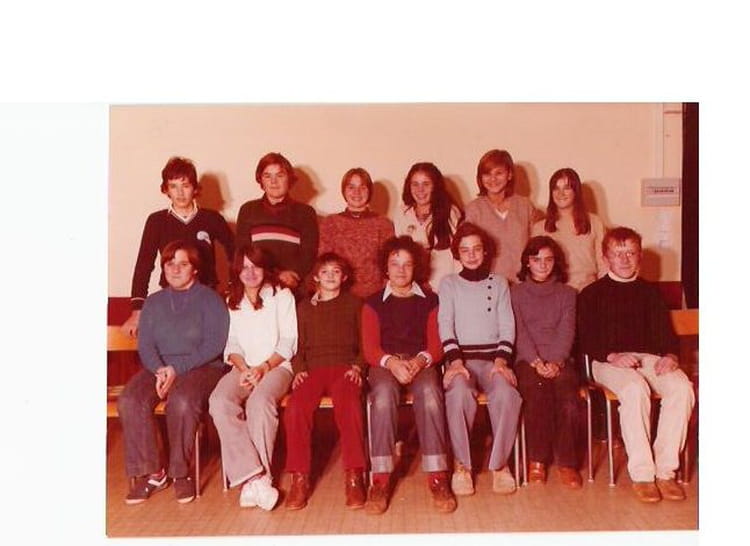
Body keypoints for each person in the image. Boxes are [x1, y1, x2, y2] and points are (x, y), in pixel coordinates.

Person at [578, 227, 695, 503]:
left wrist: (670, 356)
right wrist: (613, 356)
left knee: (682, 388)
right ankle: (643, 475)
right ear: (605, 257)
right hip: (607, 361)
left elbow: (666, 334)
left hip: (649, 359)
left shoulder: (650, 292)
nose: (625, 259)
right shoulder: (591, 294)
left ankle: (665, 472)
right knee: (634, 389)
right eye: (618, 253)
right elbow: (586, 340)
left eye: (630, 253)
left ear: (639, 256)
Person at [117, 240, 229, 505]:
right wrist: (159, 370)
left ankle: (180, 472)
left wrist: (176, 370)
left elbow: (215, 345)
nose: (175, 269)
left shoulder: (210, 299)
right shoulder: (154, 302)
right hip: (159, 368)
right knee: (130, 399)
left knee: (181, 401)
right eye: (170, 264)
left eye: (183, 264)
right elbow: (146, 345)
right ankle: (154, 473)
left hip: (202, 367)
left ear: (195, 269)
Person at [362, 236, 456, 514]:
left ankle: (437, 475)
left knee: (430, 394)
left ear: (417, 268)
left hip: (420, 361)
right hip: (385, 363)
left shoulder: (430, 300)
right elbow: (370, 348)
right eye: (395, 264)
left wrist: (419, 361)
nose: (401, 270)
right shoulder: (372, 303)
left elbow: (436, 345)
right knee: (382, 396)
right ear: (386, 267)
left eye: (407, 264)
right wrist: (392, 363)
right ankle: (380, 480)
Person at [208, 244, 297, 511]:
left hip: (277, 367)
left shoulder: (281, 295)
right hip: (243, 367)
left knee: (259, 402)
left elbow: (289, 341)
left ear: (265, 269)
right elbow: (232, 342)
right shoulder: (232, 300)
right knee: (219, 401)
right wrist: (245, 367)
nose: (250, 272)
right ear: (237, 271)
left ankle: (262, 477)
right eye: (244, 267)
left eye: (256, 266)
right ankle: (254, 477)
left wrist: (263, 368)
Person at [439, 222, 521, 496]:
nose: (471, 255)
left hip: (493, 361)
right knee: (459, 394)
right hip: (461, 362)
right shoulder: (449, 284)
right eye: (465, 250)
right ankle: (462, 465)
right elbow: (445, 325)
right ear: (457, 254)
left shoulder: (499, 283)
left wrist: (501, 361)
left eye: (476, 249)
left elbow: (507, 325)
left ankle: (500, 465)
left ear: (486, 252)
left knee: (507, 394)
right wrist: (455, 362)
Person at [283, 253, 367, 510]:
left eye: (336, 271)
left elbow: (366, 342)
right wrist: (299, 369)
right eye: (325, 272)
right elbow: (296, 345)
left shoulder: (355, 304)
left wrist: (358, 366)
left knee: (349, 405)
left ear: (344, 277)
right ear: (316, 277)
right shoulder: (304, 308)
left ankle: (354, 476)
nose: (330, 276)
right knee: (296, 408)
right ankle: (299, 478)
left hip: (345, 368)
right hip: (313, 370)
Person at [122, 156, 234, 336]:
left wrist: (233, 290)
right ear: (166, 189)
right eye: (174, 186)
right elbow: (144, 266)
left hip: (206, 300)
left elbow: (237, 255)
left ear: (195, 188)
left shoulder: (212, 219)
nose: (180, 193)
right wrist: (137, 311)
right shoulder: (156, 221)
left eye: (186, 186)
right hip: (171, 300)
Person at [511, 236, 583, 488]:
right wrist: (535, 361)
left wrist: (556, 361)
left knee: (568, 398)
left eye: (548, 259)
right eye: (536, 259)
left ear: (556, 262)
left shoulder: (567, 294)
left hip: (559, 359)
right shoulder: (515, 293)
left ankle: (567, 463)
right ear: (527, 262)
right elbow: (519, 332)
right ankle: (537, 460)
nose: (542, 265)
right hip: (527, 359)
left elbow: (566, 331)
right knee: (536, 393)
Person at [235, 152, 318, 298]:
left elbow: (309, 253)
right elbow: (243, 251)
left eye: (280, 175)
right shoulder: (248, 210)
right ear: (261, 180)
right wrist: (270, 276)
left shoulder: (306, 213)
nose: (274, 182)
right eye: (267, 176)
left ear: (289, 179)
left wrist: (294, 274)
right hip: (256, 285)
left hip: (293, 287)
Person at [464, 149, 540, 283]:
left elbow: (538, 249)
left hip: (523, 283)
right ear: (480, 178)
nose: (493, 179)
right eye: (487, 174)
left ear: (509, 174)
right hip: (487, 285)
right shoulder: (473, 209)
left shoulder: (525, 206)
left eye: (498, 173)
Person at [318, 167, 395, 298]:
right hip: (339, 295)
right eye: (351, 187)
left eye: (362, 187)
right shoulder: (330, 223)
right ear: (344, 191)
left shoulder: (383, 223)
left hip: (375, 295)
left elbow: (389, 264)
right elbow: (323, 263)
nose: (357, 192)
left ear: (369, 191)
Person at [532, 167, 607, 291]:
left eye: (566, 188)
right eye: (556, 188)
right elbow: (534, 269)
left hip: (588, 291)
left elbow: (603, 265)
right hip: (554, 294)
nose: (561, 193)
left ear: (576, 191)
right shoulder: (539, 228)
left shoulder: (594, 223)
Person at [393, 162, 463, 292]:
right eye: (415, 184)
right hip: (413, 288)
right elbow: (399, 255)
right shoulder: (402, 213)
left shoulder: (450, 212)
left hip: (444, 287)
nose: (420, 190)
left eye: (426, 184)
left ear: (435, 186)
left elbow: (459, 254)